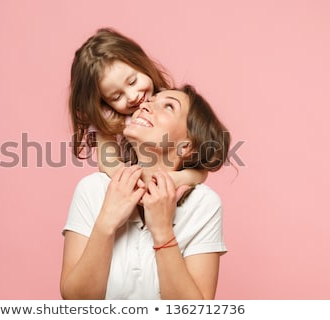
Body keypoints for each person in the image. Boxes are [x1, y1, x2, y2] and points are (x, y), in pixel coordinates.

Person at [61, 85, 231, 299]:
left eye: (168, 106)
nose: (145, 105)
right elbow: (75, 302)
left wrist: (162, 231)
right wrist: (106, 222)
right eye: (151, 101)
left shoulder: (203, 204)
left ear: (185, 146)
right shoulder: (92, 189)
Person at [69, 27, 207, 189]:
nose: (133, 96)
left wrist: (177, 178)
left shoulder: (166, 102)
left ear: (141, 64)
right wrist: (135, 181)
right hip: (132, 188)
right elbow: (108, 162)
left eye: (133, 81)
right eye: (117, 96)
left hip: (167, 186)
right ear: (104, 103)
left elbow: (200, 171)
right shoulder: (108, 119)